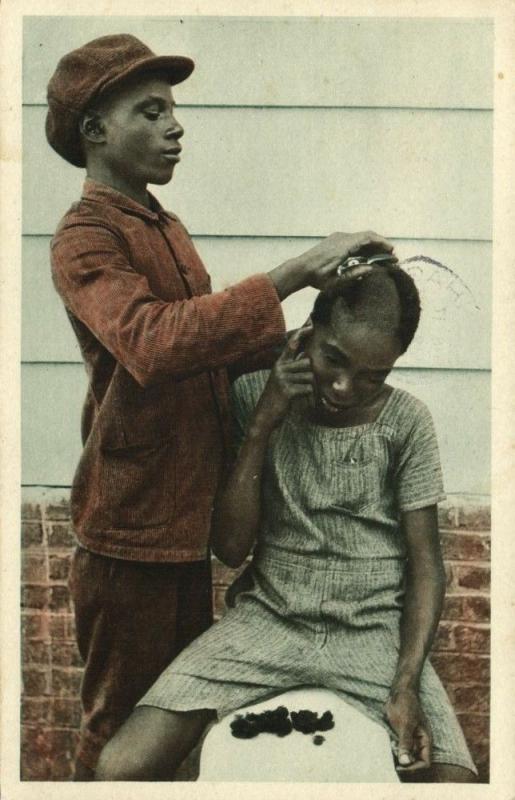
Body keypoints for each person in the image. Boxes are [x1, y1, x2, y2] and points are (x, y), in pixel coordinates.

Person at [45, 33, 394, 780]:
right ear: (94, 132)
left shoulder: (163, 227)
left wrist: (316, 338)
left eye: (173, 110)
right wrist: (295, 271)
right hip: (128, 535)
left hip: (180, 528)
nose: (175, 127)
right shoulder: (85, 236)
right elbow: (154, 343)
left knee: (175, 733)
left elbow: (208, 349)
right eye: (150, 111)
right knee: (115, 739)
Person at [94, 262, 478, 783]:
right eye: (333, 358)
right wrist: (264, 423)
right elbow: (230, 548)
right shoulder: (255, 395)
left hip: (373, 633)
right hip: (269, 621)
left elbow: (428, 568)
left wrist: (405, 682)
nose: (344, 387)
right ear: (308, 332)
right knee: (119, 769)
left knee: (457, 783)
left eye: (373, 376)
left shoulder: (406, 422)